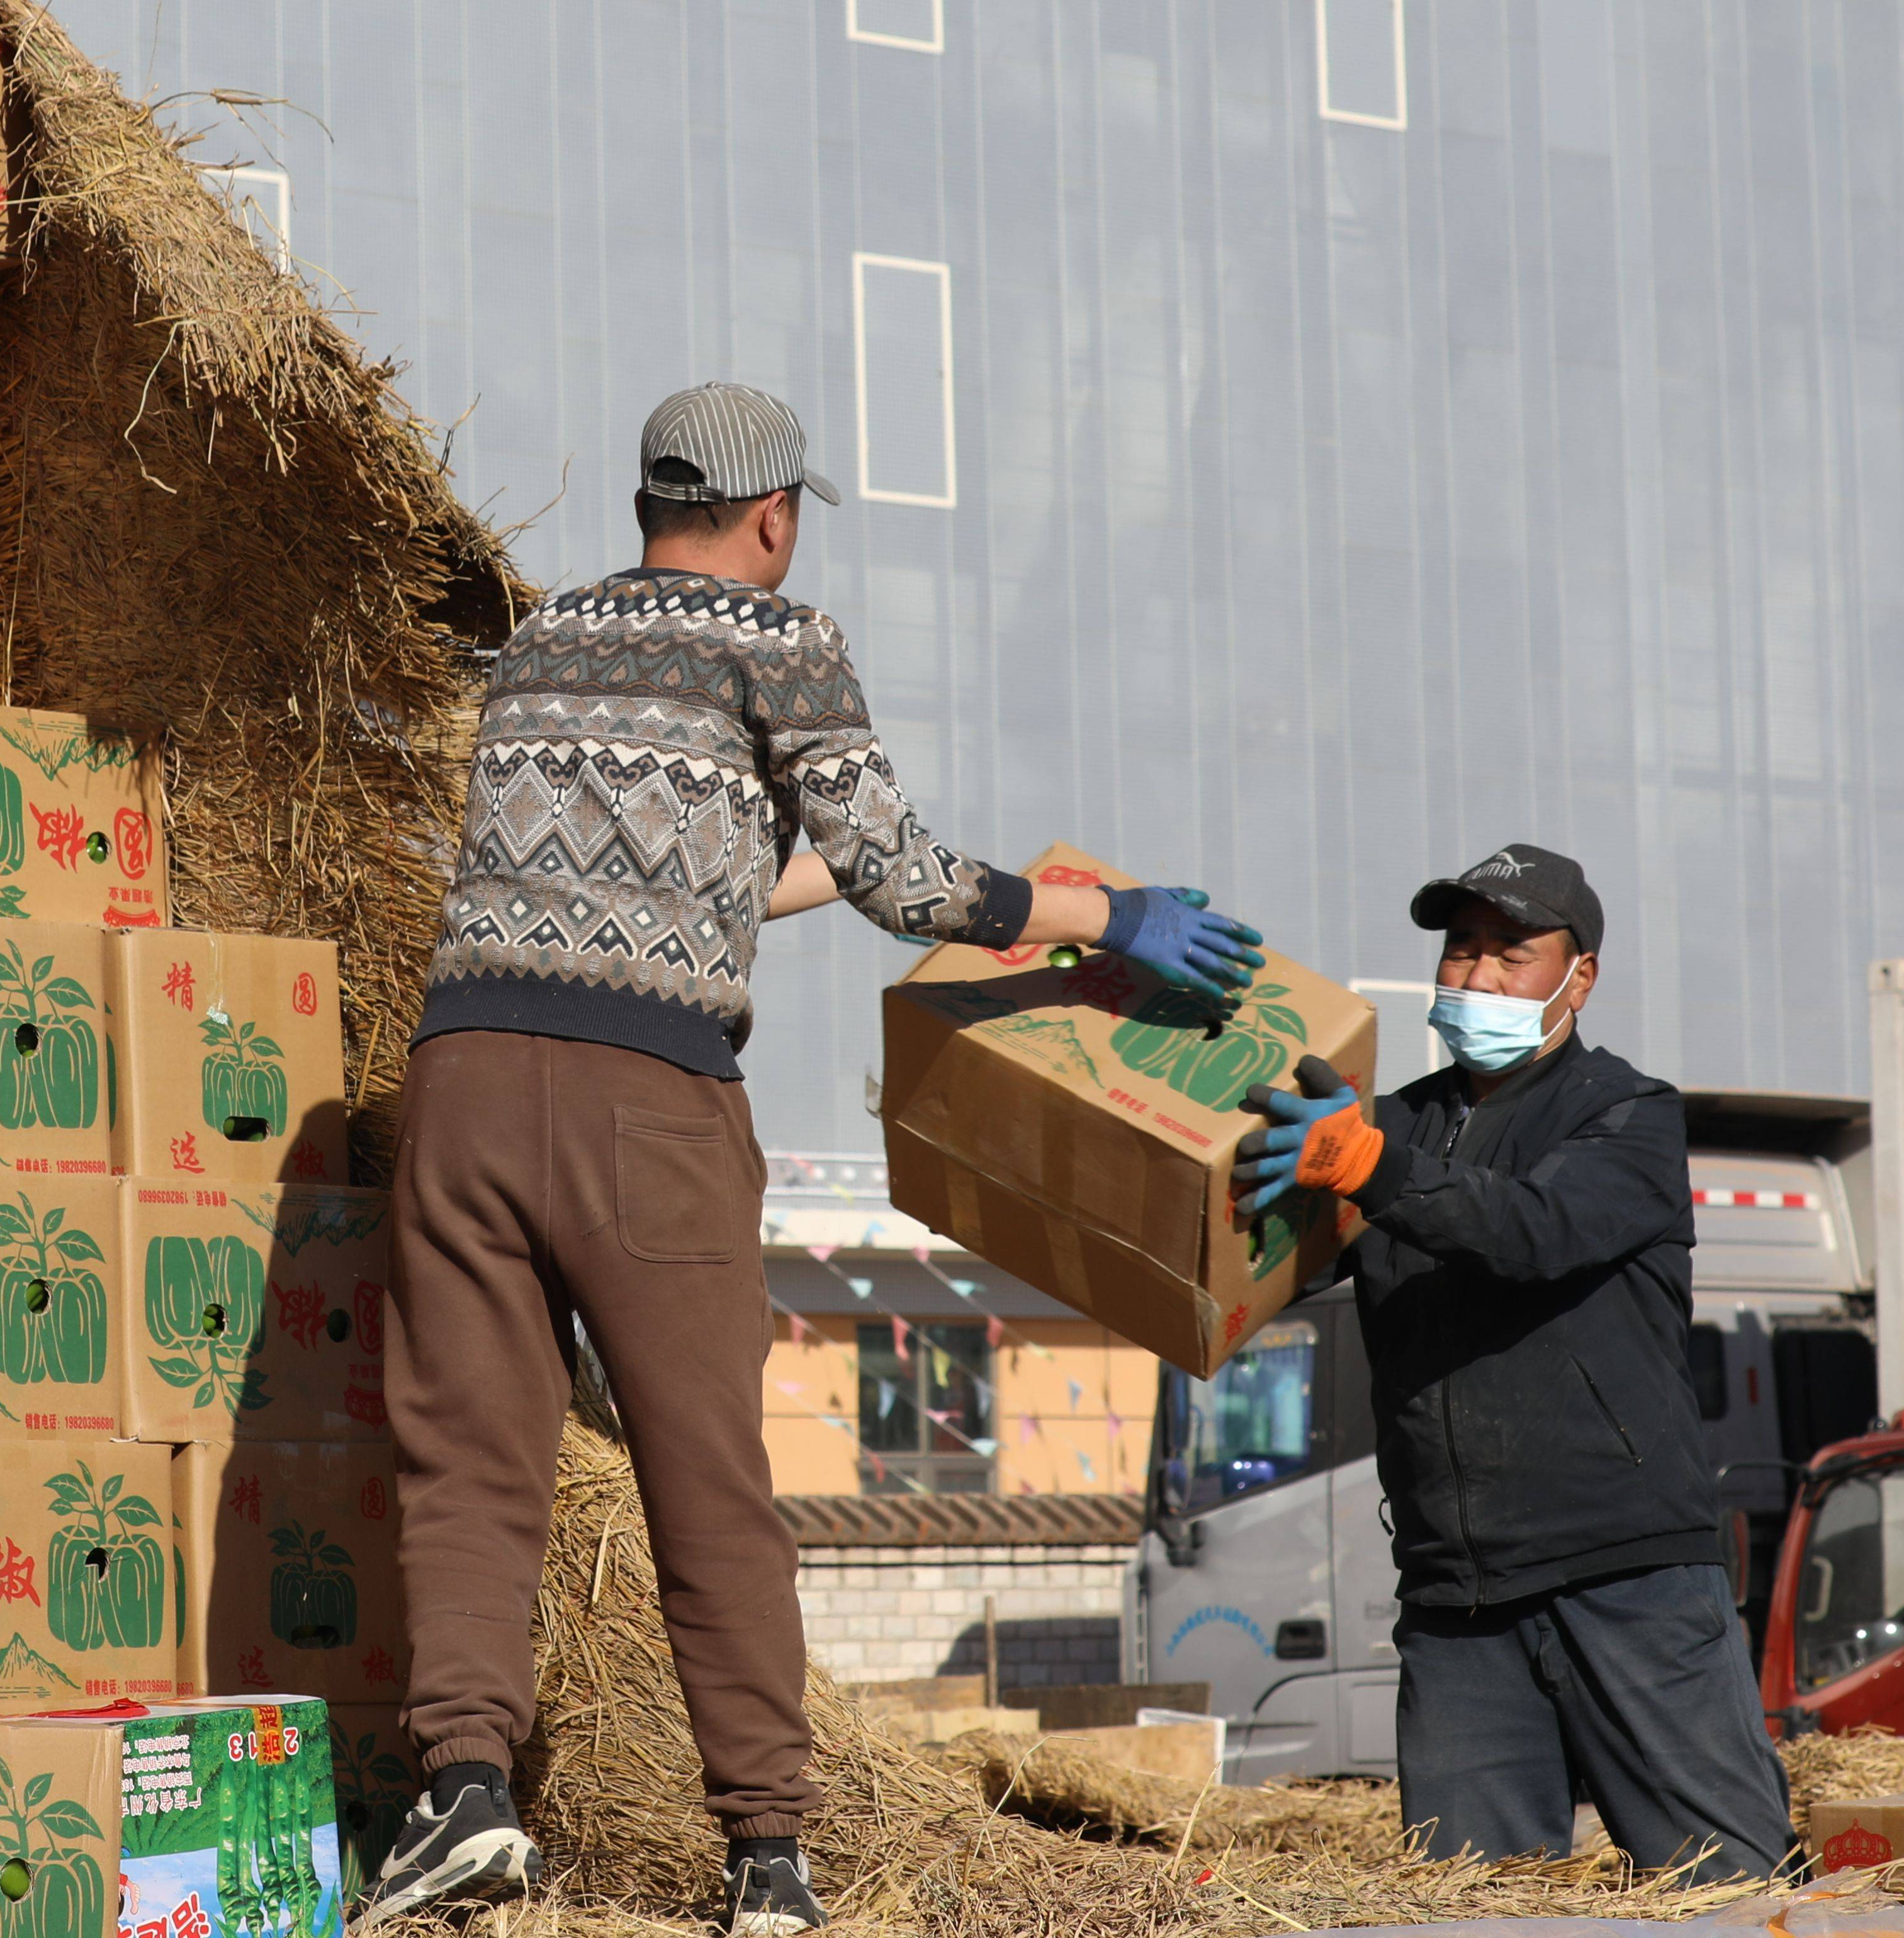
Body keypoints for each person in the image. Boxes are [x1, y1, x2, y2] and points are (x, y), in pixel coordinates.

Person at [359, 385, 1262, 1938]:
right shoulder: (782, 640)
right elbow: (903, 882)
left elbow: (668, 880)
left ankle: (462, 1792)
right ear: (773, 517)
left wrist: (838, 888)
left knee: (470, 1461)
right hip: (651, 1111)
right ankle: (769, 1857)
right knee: (709, 1482)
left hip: (467, 1079)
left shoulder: (547, 645)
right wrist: (1107, 922)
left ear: (654, 504)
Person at [1229, 843, 1794, 1888]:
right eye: (1462, 951)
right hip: (1457, 1599)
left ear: (1578, 979)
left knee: (1729, 1891)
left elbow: (1534, 1229)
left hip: (1627, 1573)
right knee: (1471, 1906)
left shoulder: (1629, 1114)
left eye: (1511, 954)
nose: (1478, 977)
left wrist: (1369, 1169)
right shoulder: (1390, 1123)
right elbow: (1258, 1271)